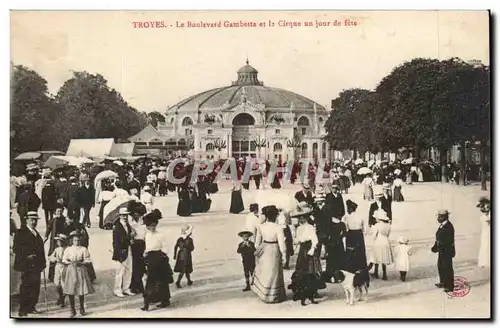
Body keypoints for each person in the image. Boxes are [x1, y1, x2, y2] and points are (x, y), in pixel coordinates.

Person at [13, 211, 46, 317]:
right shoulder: (21, 232)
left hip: (36, 265)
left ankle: (32, 307)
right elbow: (16, 248)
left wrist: (43, 263)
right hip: (26, 265)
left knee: (35, 287)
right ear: (26, 220)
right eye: (31, 219)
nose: (33, 222)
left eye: (35, 220)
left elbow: (41, 250)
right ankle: (22, 309)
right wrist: (27, 256)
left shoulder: (36, 232)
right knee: (26, 287)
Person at [251, 205, 287, 303]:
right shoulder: (278, 228)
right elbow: (281, 243)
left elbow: (257, 243)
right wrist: (284, 254)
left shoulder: (261, 227)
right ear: (275, 216)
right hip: (275, 249)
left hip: (265, 248)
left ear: (266, 216)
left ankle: (264, 294)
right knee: (274, 272)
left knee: (266, 271)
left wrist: (260, 249)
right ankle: (274, 295)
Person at [141, 209, 173, 311]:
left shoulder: (160, 235)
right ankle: (147, 302)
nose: (152, 227)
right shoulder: (146, 235)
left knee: (162, 281)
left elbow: (165, 247)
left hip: (159, 258)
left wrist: (163, 255)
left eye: (153, 225)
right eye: (150, 226)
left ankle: (165, 300)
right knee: (150, 281)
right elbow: (145, 246)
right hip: (150, 258)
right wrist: (145, 254)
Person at [290, 203, 325, 296]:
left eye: (303, 217)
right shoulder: (298, 228)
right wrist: (294, 239)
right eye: (299, 218)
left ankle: (314, 290)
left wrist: (313, 249)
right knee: (302, 268)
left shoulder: (310, 227)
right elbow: (297, 240)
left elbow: (315, 239)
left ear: (306, 217)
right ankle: (303, 289)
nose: (301, 219)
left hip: (309, 248)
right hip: (302, 249)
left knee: (312, 269)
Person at [62, 231, 94, 317]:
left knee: (81, 289)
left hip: (80, 269)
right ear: (72, 241)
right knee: (71, 289)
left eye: (78, 240)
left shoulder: (83, 249)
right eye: (75, 240)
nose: (77, 242)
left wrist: (82, 263)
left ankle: (82, 308)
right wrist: (70, 262)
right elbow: (64, 259)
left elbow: (88, 259)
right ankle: (72, 309)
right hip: (71, 269)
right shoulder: (68, 249)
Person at [112, 208, 135, 298]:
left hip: (128, 249)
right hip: (121, 251)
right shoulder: (117, 227)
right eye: (123, 215)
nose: (125, 217)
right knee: (120, 271)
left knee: (129, 270)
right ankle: (117, 289)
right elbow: (120, 240)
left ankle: (126, 288)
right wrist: (130, 236)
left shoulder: (128, 225)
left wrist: (131, 238)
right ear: (120, 215)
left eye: (126, 215)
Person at [431, 209, 455, 292]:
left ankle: (449, 285)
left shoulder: (448, 226)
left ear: (444, 217)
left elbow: (446, 240)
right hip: (442, 250)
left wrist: (438, 246)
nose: (438, 218)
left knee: (447, 267)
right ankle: (443, 282)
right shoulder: (443, 225)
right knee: (441, 266)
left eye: (440, 217)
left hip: (446, 250)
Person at [127, 202, 148, 294]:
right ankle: (135, 285)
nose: (140, 216)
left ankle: (138, 285)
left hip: (142, 243)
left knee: (141, 265)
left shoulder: (140, 220)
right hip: (134, 244)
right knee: (136, 265)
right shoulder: (129, 221)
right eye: (138, 214)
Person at [367, 210, 393, 280]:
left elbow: (374, 236)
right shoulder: (388, 226)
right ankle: (384, 274)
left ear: (379, 219)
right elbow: (388, 234)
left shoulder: (377, 225)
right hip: (385, 241)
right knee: (384, 258)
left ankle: (376, 272)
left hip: (378, 242)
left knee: (376, 258)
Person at [44, 205, 66, 282]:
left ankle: (63, 275)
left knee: (62, 256)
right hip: (54, 242)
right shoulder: (53, 220)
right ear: (55, 212)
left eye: (60, 211)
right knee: (53, 256)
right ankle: (51, 276)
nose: (59, 213)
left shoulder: (64, 220)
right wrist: (46, 236)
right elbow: (48, 229)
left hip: (62, 241)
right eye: (58, 211)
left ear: (63, 211)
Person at [344, 200, 367, 272]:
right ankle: (361, 267)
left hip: (351, 234)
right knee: (360, 251)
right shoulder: (361, 216)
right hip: (359, 234)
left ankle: (352, 268)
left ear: (350, 209)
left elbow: (345, 227)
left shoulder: (347, 217)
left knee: (351, 252)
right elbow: (364, 228)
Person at [49, 233, 68, 308]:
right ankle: (61, 297)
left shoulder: (67, 249)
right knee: (57, 283)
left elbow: (70, 258)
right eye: (57, 241)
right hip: (58, 267)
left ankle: (62, 299)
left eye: (60, 241)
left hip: (65, 267)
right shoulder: (56, 249)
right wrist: (54, 259)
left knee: (64, 284)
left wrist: (63, 260)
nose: (58, 243)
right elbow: (51, 257)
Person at [477, 197, 491, 268]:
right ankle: (484, 261)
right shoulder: (483, 214)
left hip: (488, 231)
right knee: (485, 245)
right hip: (485, 232)